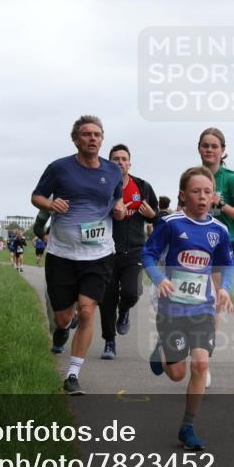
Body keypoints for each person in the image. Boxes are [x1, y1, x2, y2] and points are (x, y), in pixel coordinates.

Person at [31, 115, 125, 396]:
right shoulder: (59, 168)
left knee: (86, 311)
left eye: (97, 134)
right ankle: (61, 330)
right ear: (76, 139)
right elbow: (36, 196)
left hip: (98, 253)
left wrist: (118, 208)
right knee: (63, 318)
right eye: (87, 134)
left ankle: (73, 373)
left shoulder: (112, 171)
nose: (93, 138)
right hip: (62, 253)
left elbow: (116, 197)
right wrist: (50, 203)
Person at [142, 166, 234, 451]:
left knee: (202, 364)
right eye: (196, 191)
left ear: (213, 196)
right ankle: (162, 350)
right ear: (184, 195)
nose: (202, 197)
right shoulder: (171, 224)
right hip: (171, 309)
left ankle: (188, 426)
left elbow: (226, 264)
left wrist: (224, 289)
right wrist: (159, 279)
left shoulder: (218, 231)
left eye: (207, 192)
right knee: (177, 374)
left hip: (202, 308)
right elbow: (148, 254)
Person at [198, 127, 234, 389]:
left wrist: (221, 205)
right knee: (191, 300)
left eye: (214, 146)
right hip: (194, 248)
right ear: (199, 148)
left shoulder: (231, 180)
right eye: (205, 145)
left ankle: (203, 359)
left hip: (222, 247)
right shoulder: (193, 177)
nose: (209, 150)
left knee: (213, 304)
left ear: (222, 150)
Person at [99, 144, 158, 361]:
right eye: (115, 159)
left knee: (132, 292)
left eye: (124, 159)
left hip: (134, 250)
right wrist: (111, 212)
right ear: (109, 163)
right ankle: (109, 341)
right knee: (107, 298)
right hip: (105, 251)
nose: (120, 162)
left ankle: (124, 312)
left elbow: (158, 218)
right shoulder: (102, 186)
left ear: (130, 163)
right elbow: (90, 213)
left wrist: (152, 215)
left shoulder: (142, 187)